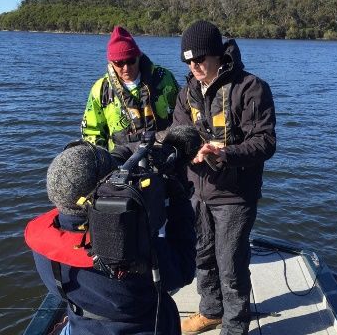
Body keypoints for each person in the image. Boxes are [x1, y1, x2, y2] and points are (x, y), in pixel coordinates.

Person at [25, 141, 196, 335]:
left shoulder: (43, 244)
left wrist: (123, 153)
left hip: (82, 325)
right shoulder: (132, 248)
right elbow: (184, 269)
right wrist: (178, 197)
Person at [173, 20, 276, 335]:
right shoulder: (187, 92)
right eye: (189, 61)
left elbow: (265, 142)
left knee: (230, 263)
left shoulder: (251, 88)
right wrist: (187, 150)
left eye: (200, 58)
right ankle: (211, 311)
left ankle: (235, 325)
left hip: (235, 195)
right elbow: (179, 133)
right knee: (201, 256)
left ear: (217, 54)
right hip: (198, 191)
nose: (195, 65)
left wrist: (227, 153)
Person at [81, 26, 179, 150]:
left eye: (131, 61)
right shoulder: (100, 89)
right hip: (120, 160)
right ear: (111, 62)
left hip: (162, 153)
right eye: (119, 63)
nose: (126, 68)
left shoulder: (164, 78)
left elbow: (181, 113)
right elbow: (91, 131)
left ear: (138, 56)